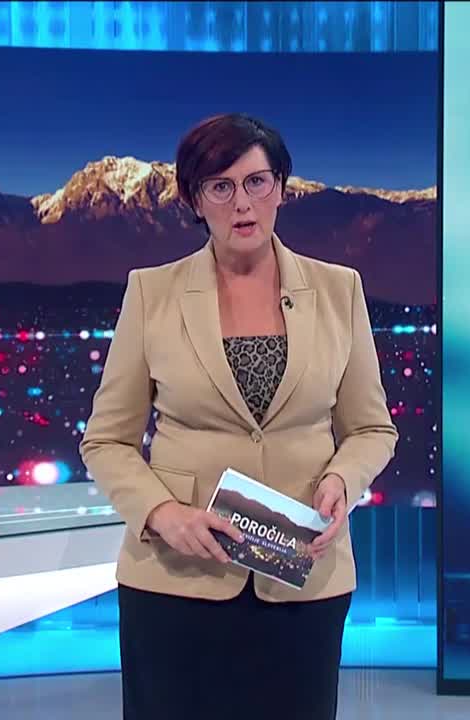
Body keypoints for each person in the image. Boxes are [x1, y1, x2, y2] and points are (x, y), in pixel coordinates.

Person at [79, 113, 398, 719]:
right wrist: (161, 513)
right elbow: (107, 440)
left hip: (303, 574)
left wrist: (342, 479)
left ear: (282, 188)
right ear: (194, 200)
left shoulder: (339, 290)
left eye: (256, 181)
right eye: (220, 187)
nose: (242, 203)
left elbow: (371, 428)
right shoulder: (152, 292)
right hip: (177, 576)